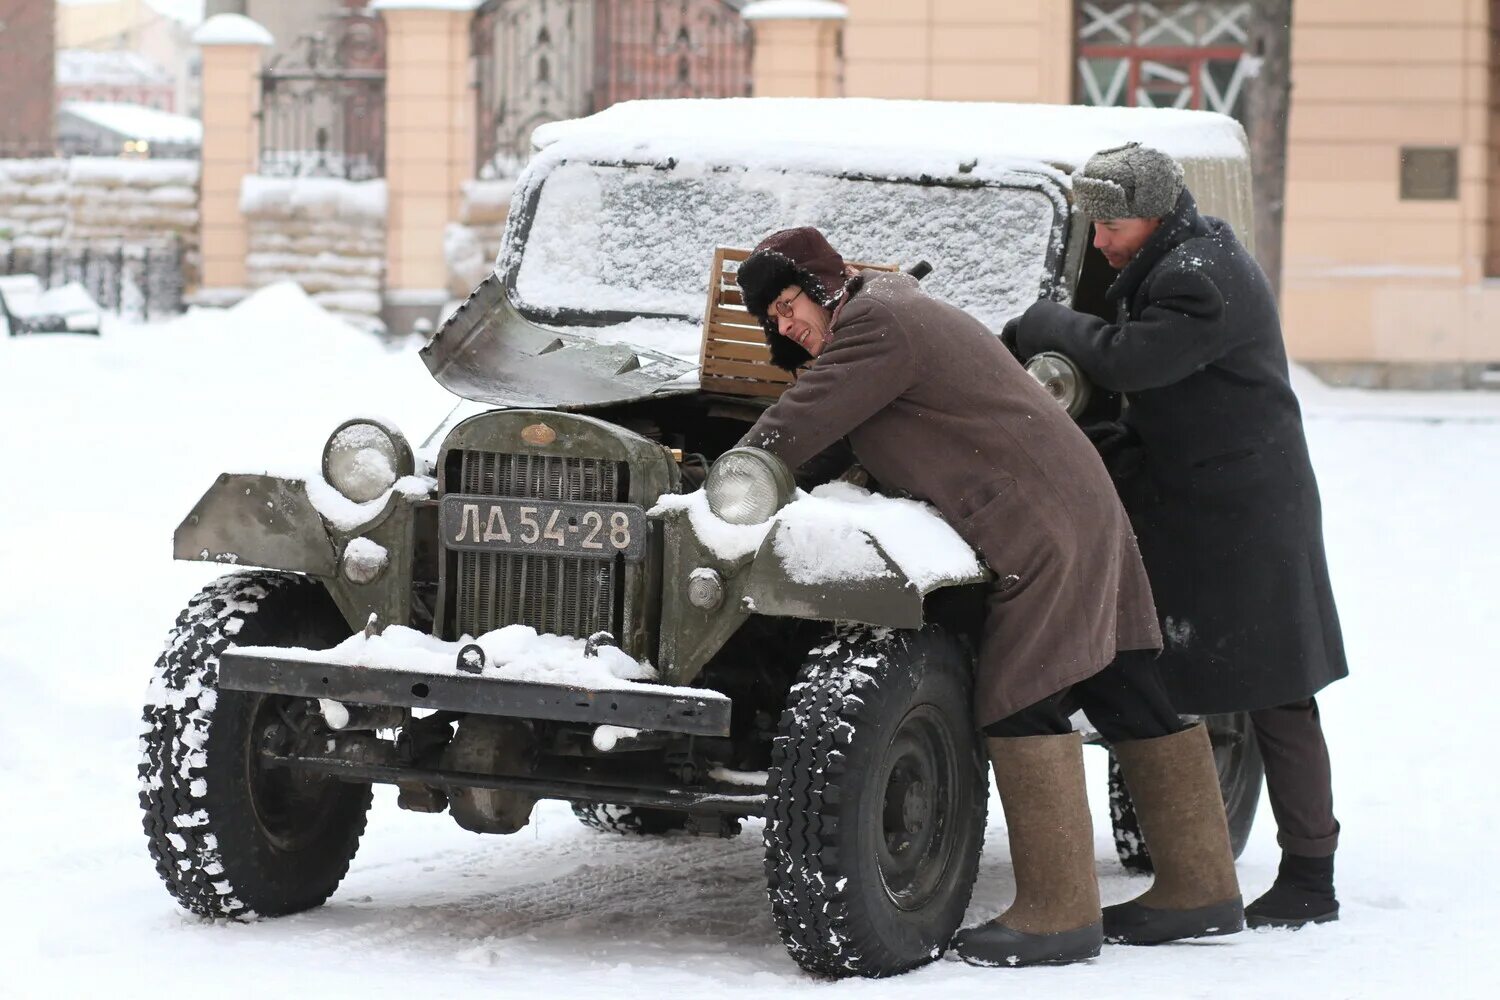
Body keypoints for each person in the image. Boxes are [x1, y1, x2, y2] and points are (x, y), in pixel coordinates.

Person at [734, 226, 1243, 968]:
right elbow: (843, 438)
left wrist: (736, 474)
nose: (784, 325)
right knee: (1124, 687)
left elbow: (804, 418)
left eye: (787, 304)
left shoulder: (876, 323)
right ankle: (1201, 887)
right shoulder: (893, 316)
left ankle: (1057, 914)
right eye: (771, 319)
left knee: (1018, 691)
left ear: (823, 286)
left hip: (1035, 523)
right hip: (1072, 506)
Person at [1005, 143, 1348, 929]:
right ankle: (1209, 869)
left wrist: (1043, 323)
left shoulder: (1199, 274)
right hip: (1215, 502)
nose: (1101, 242)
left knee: (1277, 697)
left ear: (1156, 214)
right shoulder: (1184, 254)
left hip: (1244, 517)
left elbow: (1134, 360)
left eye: (1112, 225)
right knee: (1210, 684)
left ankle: (1308, 879)